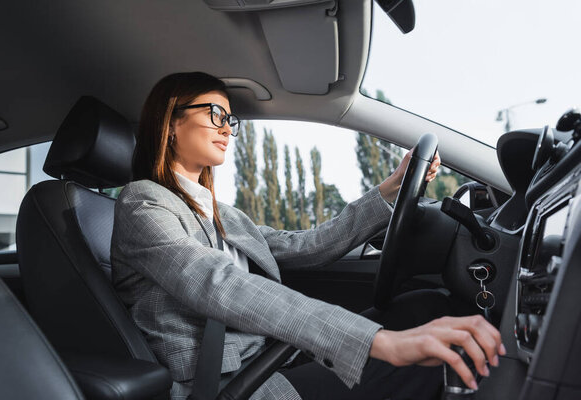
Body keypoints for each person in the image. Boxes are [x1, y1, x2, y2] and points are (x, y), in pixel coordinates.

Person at [111, 72, 505, 400]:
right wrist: (381, 343)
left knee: (427, 308)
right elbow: (219, 284)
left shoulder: (221, 213)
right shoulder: (142, 203)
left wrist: (390, 189)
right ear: (171, 121)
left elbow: (310, 246)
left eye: (231, 120)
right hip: (231, 383)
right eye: (216, 114)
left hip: (273, 359)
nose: (228, 129)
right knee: (433, 365)